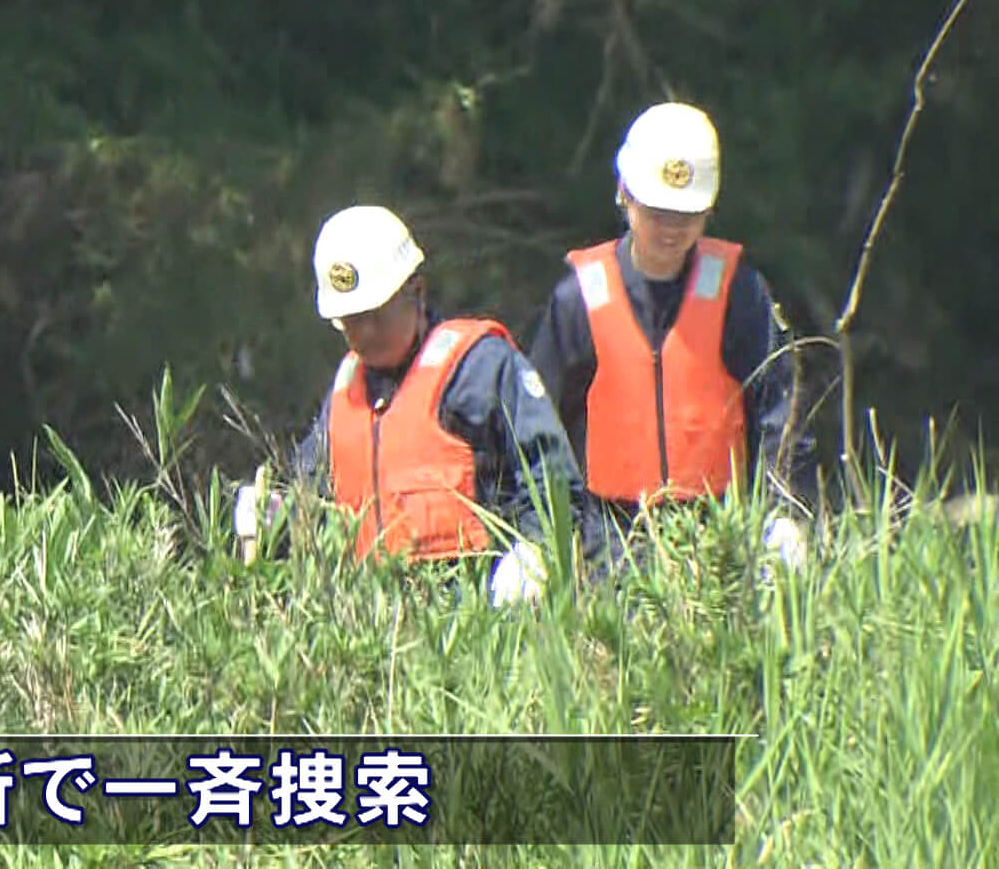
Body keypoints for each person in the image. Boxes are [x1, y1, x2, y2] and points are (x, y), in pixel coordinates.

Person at [252, 205, 604, 606]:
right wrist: (275, 515)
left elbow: (551, 477)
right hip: (372, 627)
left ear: (416, 291)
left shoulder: (480, 369)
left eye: (375, 315)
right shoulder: (346, 390)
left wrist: (535, 552)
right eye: (350, 320)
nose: (364, 333)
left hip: (480, 616)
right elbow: (313, 494)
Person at [524, 101, 814, 572]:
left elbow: (777, 413)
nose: (672, 228)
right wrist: (536, 538)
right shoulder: (578, 299)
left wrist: (783, 513)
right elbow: (539, 430)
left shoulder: (740, 292)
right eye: (658, 210)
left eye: (687, 213)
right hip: (611, 542)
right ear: (624, 192)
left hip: (720, 534)